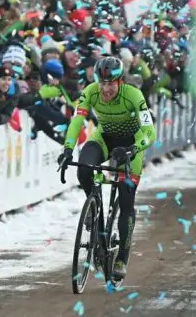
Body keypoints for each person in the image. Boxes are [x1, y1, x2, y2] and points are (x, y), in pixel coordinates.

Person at [57, 56, 156, 280]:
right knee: (83, 167)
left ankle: (122, 256)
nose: (105, 89)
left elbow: (150, 132)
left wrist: (133, 149)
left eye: (110, 84)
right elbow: (76, 121)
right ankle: (94, 207)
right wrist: (67, 149)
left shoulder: (133, 95)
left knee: (126, 196)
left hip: (130, 144)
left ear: (119, 82)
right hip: (105, 138)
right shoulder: (90, 91)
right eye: (102, 83)